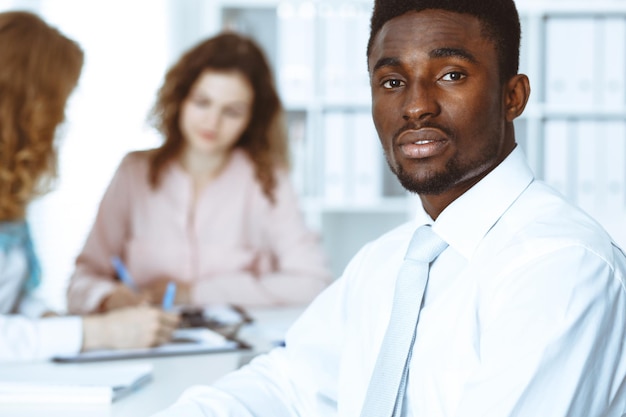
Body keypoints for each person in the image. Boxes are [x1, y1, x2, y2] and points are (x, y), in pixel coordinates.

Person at [151, 0, 626, 416]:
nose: (416, 106)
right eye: (393, 81)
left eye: (451, 75)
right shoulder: (389, 261)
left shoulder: (560, 265)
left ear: (512, 96)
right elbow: (290, 386)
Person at [66, 31, 331, 315]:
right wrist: (108, 297)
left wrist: (195, 293)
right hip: (142, 344)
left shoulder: (267, 180)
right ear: (180, 99)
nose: (212, 122)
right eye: (202, 103)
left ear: (252, 118)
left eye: (232, 111)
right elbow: (81, 281)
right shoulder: (134, 173)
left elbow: (313, 281)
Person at [0, 10, 179, 362]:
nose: (61, 120)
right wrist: (95, 333)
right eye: (58, 104)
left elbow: (11, 299)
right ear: (26, 107)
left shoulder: (9, 199)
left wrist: (52, 320)